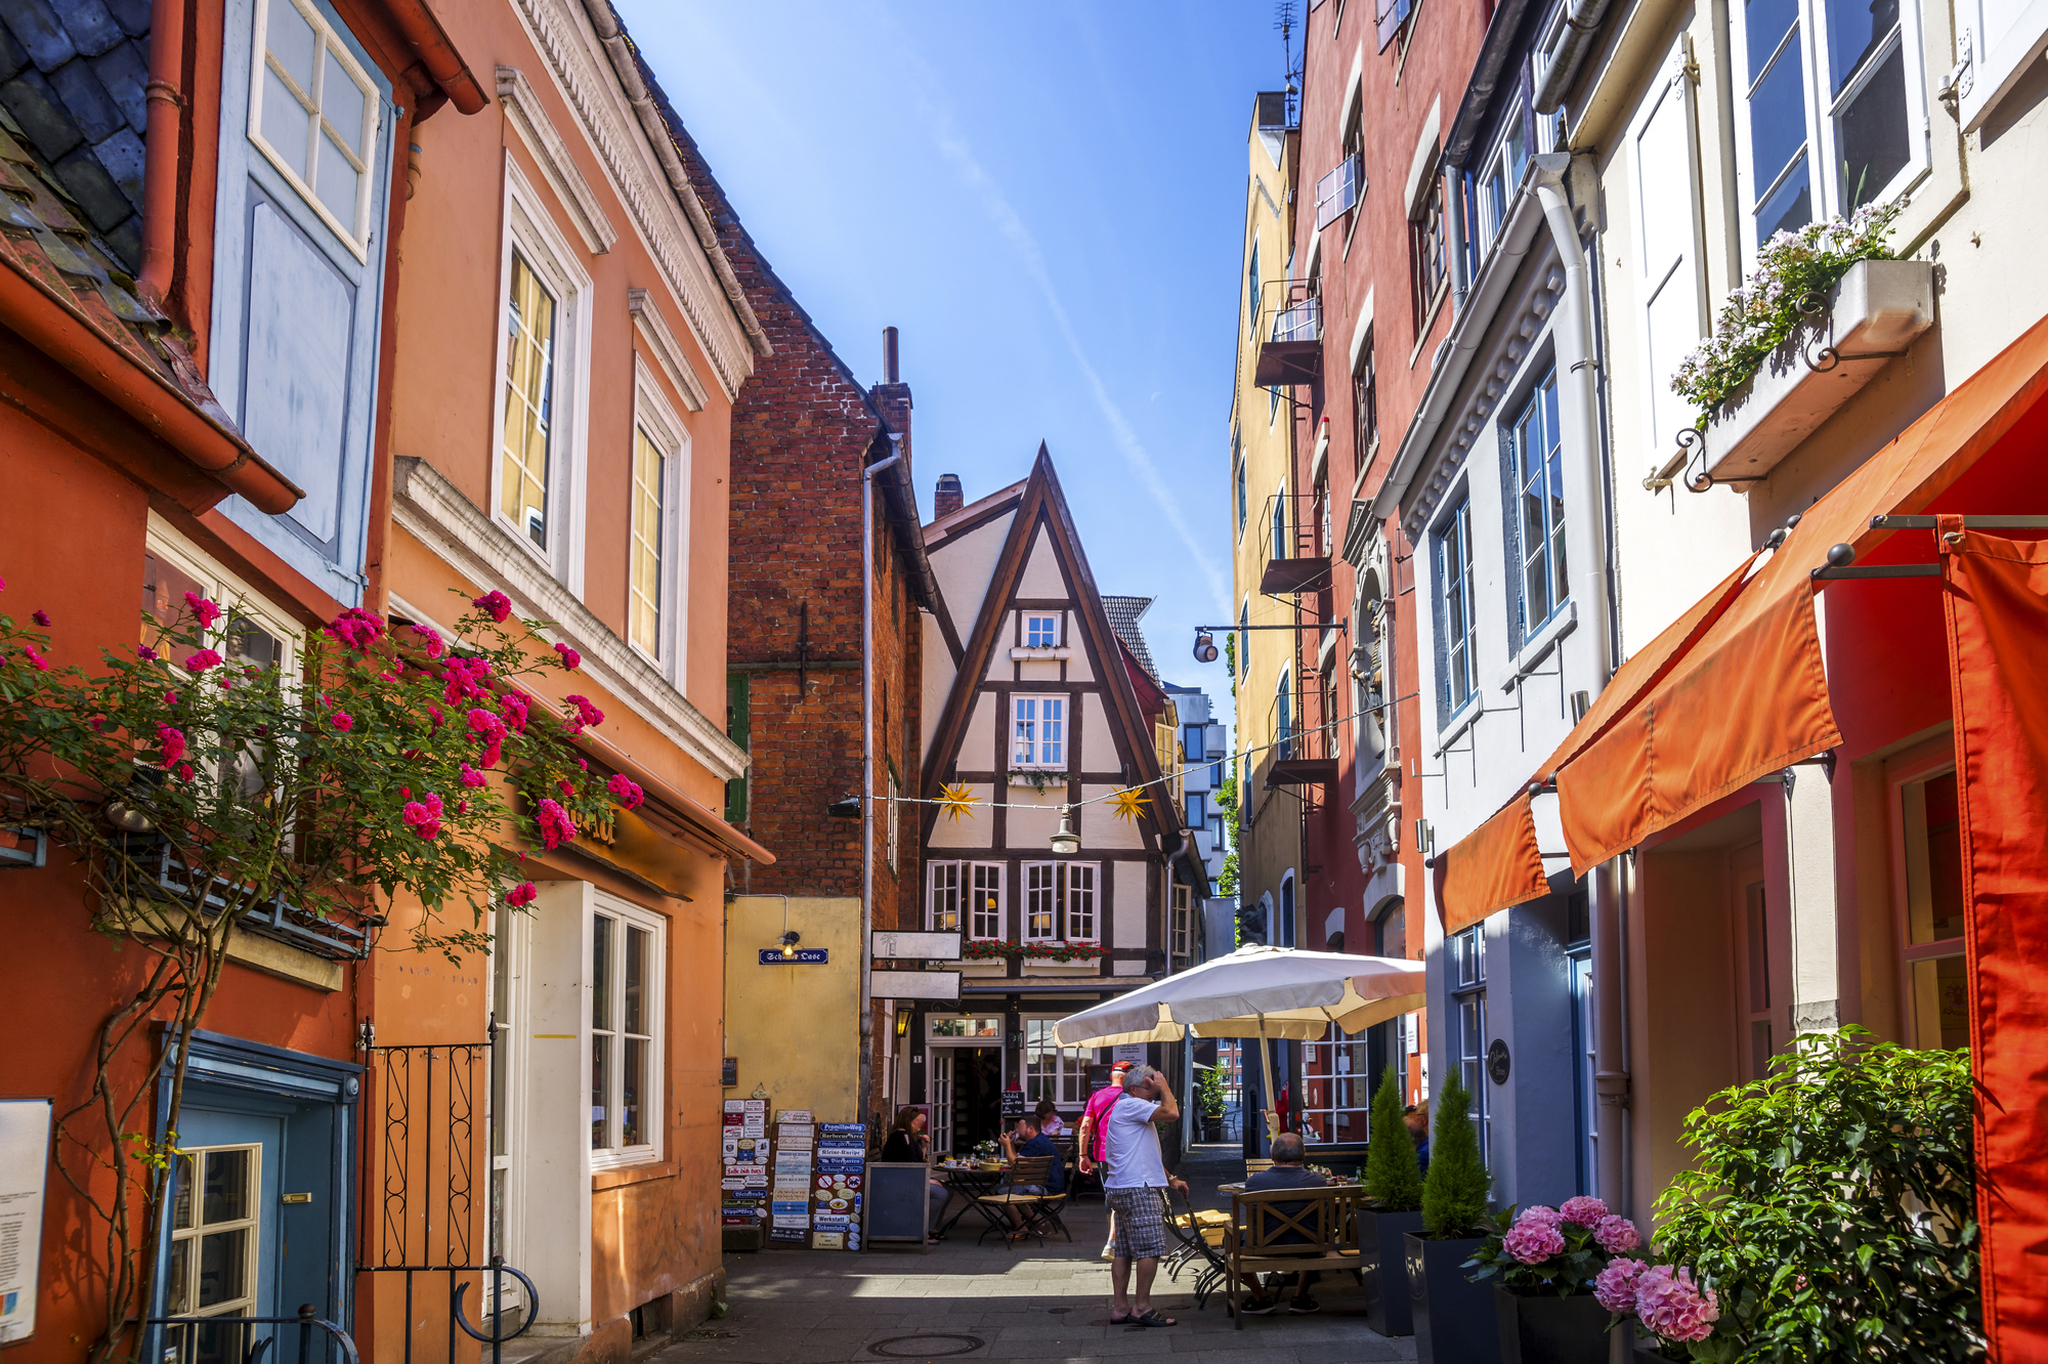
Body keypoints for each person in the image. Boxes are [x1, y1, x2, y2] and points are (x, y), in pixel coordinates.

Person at [1101, 1064, 1188, 1328]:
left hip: (1122, 1186)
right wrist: (1164, 1085)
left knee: (1123, 1251)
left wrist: (1170, 1178)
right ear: (1134, 1089)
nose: (1154, 1093)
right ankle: (1142, 1307)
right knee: (1150, 1248)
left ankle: (1120, 1307)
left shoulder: (1129, 1108)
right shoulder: (1132, 1105)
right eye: (1149, 1088)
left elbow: (1143, 1151)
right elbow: (1172, 1112)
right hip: (1138, 1188)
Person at [1237, 1132, 1328, 1315]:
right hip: (1309, 1246)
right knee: (1315, 1234)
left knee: (1232, 1240)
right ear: (1303, 1156)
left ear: (1272, 1156)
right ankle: (1300, 1298)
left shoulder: (1255, 1182)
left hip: (1264, 1245)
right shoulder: (1318, 1181)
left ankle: (1260, 1298)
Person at [1077, 1062, 1131, 1261]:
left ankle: (1114, 1240)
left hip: (1102, 1154)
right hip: (1127, 1153)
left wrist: (1083, 1156)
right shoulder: (1132, 1097)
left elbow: (1084, 1127)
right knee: (1123, 1194)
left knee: (1110, 1194)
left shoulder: (1097, 1096)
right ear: (1129, 1076)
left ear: (1111, 1076)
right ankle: (1114, 1241)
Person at [881, 1106, 950, 1243]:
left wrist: (924, 1147)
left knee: (948, 1190)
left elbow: (917, 1161)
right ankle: (922, 1229)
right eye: (917, 1122)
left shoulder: (906, 1136)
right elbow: (910, 1166)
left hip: (907, 1179)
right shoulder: (902, 1138)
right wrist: (927, 1181)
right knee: (940, 1193)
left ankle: (932, 1228)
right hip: (900, 1183)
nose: (920, 1126)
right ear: (908, 1121)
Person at [996, 1114, 1066, 1234]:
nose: (1017, 1130)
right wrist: (1011, 1144)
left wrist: (1007, 1145)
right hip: (1052, 1185)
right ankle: (1037, 1223)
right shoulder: (1039, 1140)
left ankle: (1021, 1228)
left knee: (1002, 1192)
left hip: (1045, 1187)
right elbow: (1017, 1160)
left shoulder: (1035, 1143)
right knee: (1015, 1191)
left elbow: (1015, 1166)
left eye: (1020, 1127)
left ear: (1030, 1129)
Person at [1405, 1102, 1431, 1174]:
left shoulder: (1423, 1153)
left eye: (1416, 1116)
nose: (1414, 1120)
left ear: (1425, 1119)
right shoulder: (1431, 1142)